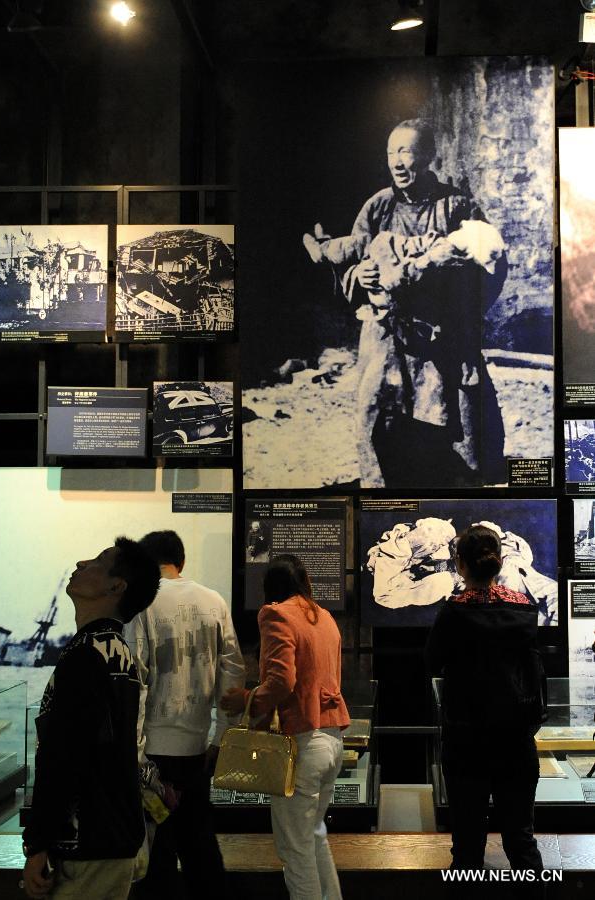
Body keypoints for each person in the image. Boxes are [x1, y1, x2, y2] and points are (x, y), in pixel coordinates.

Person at [305, 118, 507, 488]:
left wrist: (444, 292)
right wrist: (361, 277)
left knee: (457, 416)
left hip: (441, 335)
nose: (397, 162)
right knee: (378, 407)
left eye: (406, 152)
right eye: (390, 153)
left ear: (428, 156)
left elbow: (488, 264)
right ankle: (382, 485)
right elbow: (355, 257)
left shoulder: (457, 206)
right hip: (387, 332)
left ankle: (459, 482)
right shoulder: (378, 206)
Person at [21, 538, 161, 900]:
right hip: (112, 837)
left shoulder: (85, 654)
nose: (82, 563)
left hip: (87, 846)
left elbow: (65, 755)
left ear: (116, 587)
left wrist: (38, 842)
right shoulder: (117, 652)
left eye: (98, 561)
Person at [220, 554, 350, 900]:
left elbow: (281, 681)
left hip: (301, 744)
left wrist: (246, 700)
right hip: (333, 738)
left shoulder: (275, 614)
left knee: (295, 850)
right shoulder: (325, 617)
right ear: (305, 581)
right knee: (314, 837)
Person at [124, 530, 245, 900]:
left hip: (152, 751)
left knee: (155, 856)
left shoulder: (141, 604)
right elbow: (232, 674)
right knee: (201, 850)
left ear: (145, 563)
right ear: (181, 561)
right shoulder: (214, 601)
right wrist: (221, 738)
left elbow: (135, 681)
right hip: (197, 748)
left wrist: (136, 752)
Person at [425, 525, 545, 894]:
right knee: (521, 840)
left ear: (460, 564)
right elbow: (533, 669)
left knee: (467, 846)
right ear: (500, 561)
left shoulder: (453, 613)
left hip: (466, 741)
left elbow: (431, 663)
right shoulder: (523, 609)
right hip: (516, 741)